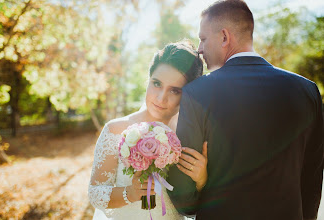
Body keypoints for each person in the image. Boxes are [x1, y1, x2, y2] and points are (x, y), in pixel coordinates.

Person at [167, 1, 324, 220]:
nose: (199, 48)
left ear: (224, 37)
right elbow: (312, 178)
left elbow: (183, 191)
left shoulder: (198, 93)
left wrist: (193, 204)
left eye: (203, 39)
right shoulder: (307, 91)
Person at [88, 40, 208, 220]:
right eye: (157, 83)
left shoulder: (190, 135)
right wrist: (130, 193)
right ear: (148, 79)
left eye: (175, 91)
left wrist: (202, 180)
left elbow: (197, 204)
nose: (161, 98)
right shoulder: (115, 129)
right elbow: (95, 193)